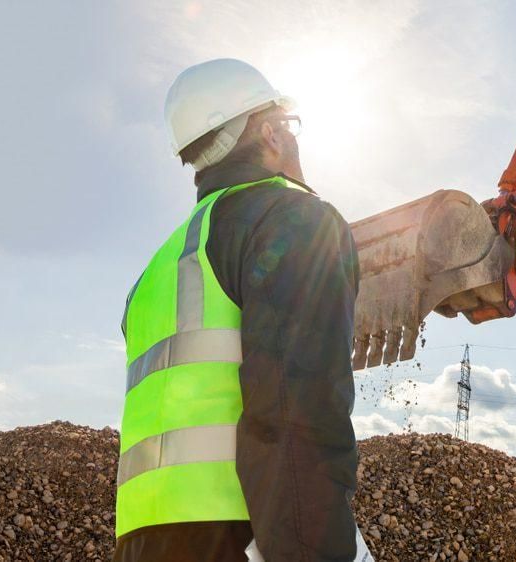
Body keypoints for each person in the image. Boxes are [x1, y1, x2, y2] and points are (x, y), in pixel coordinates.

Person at [115, 59, 359, 561]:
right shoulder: (289, 218)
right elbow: (296, 411)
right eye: (289, 127)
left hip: (140, 540)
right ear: (270, 133)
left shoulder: (157, 271)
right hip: (239, 533)